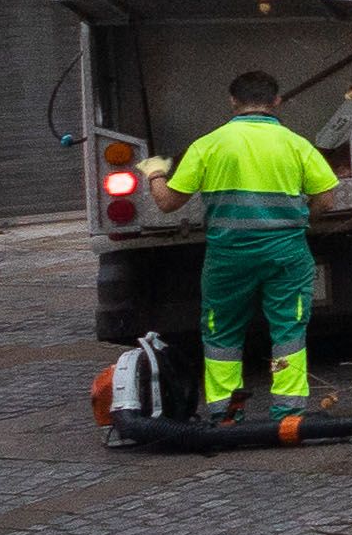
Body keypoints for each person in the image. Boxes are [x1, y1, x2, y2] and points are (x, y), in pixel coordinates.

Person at [138, 69, 339, 423]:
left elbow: (169, 203)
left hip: (228, 257)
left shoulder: (209, 144)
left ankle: (226, 414)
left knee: (222, 331)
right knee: (288, 331)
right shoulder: (296, 144)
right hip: (286, 254)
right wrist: (301, 216)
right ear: (276, 102)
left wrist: (154, 172)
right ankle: (288, 414)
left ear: (233, 102)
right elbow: (327, 199)